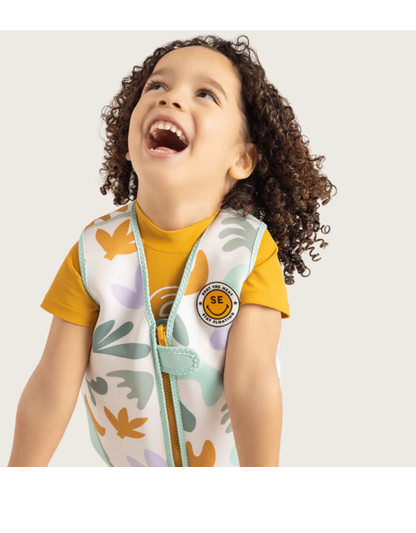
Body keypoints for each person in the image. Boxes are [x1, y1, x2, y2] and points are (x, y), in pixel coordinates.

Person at [7, 34, 336, 467]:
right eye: (157, 86)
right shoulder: (95, 253)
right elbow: (51, 387)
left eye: (205, 94)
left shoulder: (248, 252)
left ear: (241, 159)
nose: (171, 98)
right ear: (128, 142)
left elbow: (252, 384)